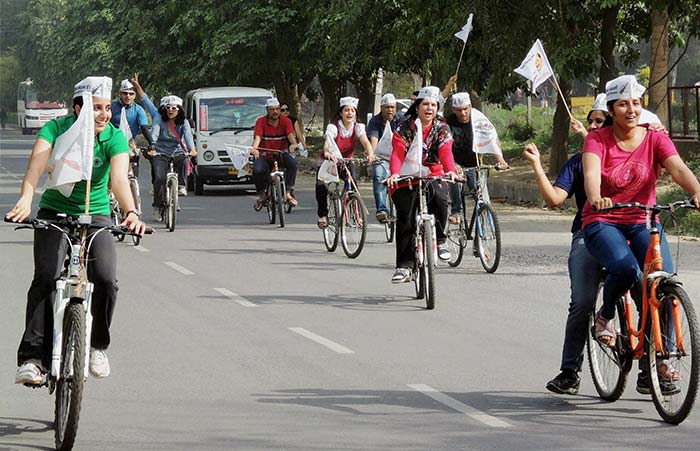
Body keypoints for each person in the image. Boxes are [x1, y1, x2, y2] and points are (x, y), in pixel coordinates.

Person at [6, 76, 146, 384]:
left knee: (107, 279)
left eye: (107, 109)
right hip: (55, 212)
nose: (104, 115)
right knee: (46, 276)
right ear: (77, 108)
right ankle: (32, 359)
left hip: (94, 214)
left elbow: (120, 181)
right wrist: (27, 199)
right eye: (96, 108)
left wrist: (131, 212)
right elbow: (36, 168)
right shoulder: (55, 129)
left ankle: (97, 345)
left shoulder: (113, 137)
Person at [582, 76, 700, 370]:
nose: (631, 110)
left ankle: (661, 362)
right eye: (623, 104)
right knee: (625, 269)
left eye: (636, 103)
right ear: (611, 109)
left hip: (644, 220)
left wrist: (697, 190)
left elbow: (677, 168)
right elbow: (591, 175)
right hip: (603, 220)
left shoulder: (655, 137)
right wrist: (597, 197)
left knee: (663, 284)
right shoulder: (597, 139)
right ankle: (606, 315)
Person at [386, 86, 458, 283]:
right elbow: (398, 153)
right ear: (417, 107)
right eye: (425, 104)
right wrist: (394, 173)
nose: (429, 108)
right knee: (405, 219)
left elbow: (445, 151)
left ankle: (441, 240)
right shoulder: (404, 128)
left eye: (433, 105)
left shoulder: (442, 128)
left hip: (432, 173)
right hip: (406, 175)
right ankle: (404, 266)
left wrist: (450, 170)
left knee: (441, 197)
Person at [445, 92, 508, 224]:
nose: (463, 113)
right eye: (459, 110)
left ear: (470, 107)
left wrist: (500, 160)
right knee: (456, 181)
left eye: (465, 109)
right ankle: (456, 212)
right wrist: (451, 165)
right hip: (455, 162)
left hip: (474, 162)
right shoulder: (448, 122)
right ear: (454, 110)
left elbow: (491, 138)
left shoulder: (479, 119)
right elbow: (444, 146)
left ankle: (485, 215)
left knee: (479, 190)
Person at [315, 96, 374, 228]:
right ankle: (323, 216)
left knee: (353, 182)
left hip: (346, 161)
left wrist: (370, 154)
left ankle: (356, 215)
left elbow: (365, 142)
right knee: (321, 186)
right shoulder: (333, 127)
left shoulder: (358, 127)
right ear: (341, 113)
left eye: (352, 111)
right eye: (346, 110)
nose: (349, 113)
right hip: (330, 161)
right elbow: (327, 143)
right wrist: (327, 153)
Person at [149, 95, 196, 221]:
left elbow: (188, 136)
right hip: (161, 152)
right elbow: (155, 132)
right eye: (168, 108)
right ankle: (158, 206)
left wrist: (192, 149)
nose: (170, 110)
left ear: (179, 110)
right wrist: (152, 146)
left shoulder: (184, 122)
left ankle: (181, 186)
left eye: (174, 108)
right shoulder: (159, 119)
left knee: (184, 159)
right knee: (159, 178)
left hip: (177, 151)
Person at [251, 98, 299, 211]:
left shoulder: (286, 121)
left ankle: (288, 193)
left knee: (292, 164)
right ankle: (262, 195)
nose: (275, 112)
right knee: (257, 170)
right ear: (267, 110)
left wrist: (293, 145)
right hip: (265, 155)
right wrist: (255, 149)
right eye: (272, 109)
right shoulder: (260, 122)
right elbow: (257, 138)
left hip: (281, 153)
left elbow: (291, 137)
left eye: (277, 109)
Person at [367, 93, 403, 223]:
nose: (390, 110)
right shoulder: (375, 121)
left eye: (392, 107)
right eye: (387, 107)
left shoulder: (400, 119)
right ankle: (382, 209)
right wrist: (372, 155)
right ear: (382, 108)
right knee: (378, 175)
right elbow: (373, 140)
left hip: (399, 157)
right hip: (381, 157)